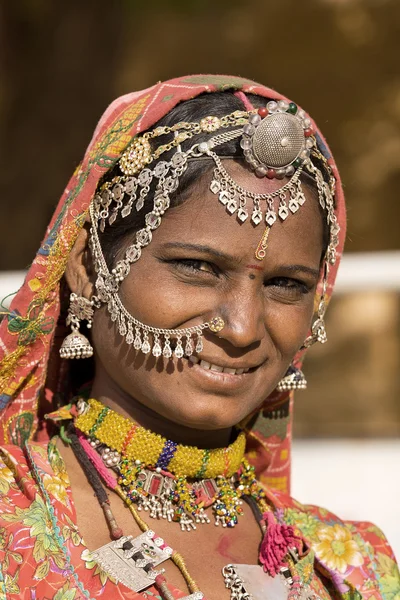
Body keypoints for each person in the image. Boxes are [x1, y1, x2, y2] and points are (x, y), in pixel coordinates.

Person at [0, 74, 397, 600]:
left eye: (285, 284)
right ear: (89, 269)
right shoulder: (13, 527)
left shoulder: (349, 568)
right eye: (197, 267)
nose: (242, 329)